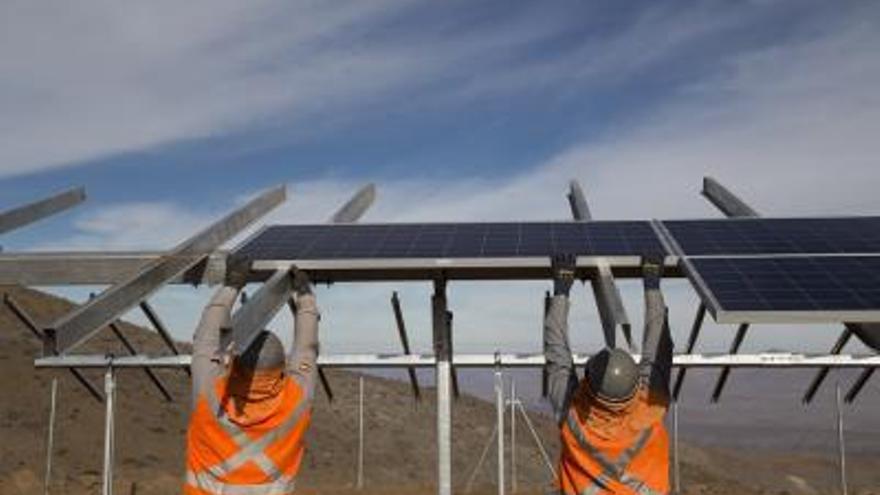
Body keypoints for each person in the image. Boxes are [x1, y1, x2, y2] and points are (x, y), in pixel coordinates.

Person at [184, 268, 320, 495]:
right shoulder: (296, 400)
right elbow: (306, 350)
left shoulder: (208, 395)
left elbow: (205, 340)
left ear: (234, 363)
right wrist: (305, 297)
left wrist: (231, 287)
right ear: (282, 369)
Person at [545, 254, 673, 495]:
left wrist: (562, 288)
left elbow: (557, 356)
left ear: (590, 385)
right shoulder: (651, 408)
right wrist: (652, 283)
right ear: (636, 382)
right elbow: (658, 349)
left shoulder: (572, 416)